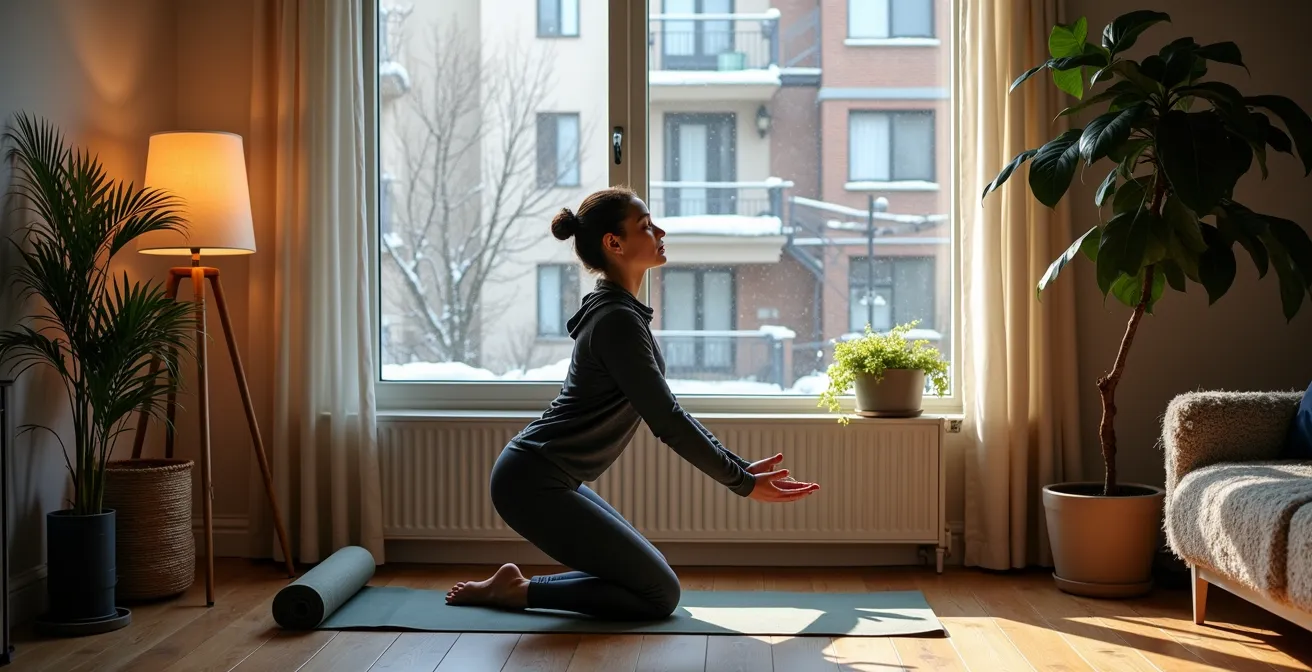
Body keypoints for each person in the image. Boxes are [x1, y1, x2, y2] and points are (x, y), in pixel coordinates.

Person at [445, 187, 820, 620]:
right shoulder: (617, 320)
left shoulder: (619, 310)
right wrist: (742, 482)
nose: (659, 230)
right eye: (645, 225)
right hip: (530, 483)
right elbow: (669, 421)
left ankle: (517, 587)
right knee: (660, 595)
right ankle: (519, 593)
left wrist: (738, 467)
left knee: (653, 579)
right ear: (614, 243)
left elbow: (670, 409)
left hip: (546, 476)